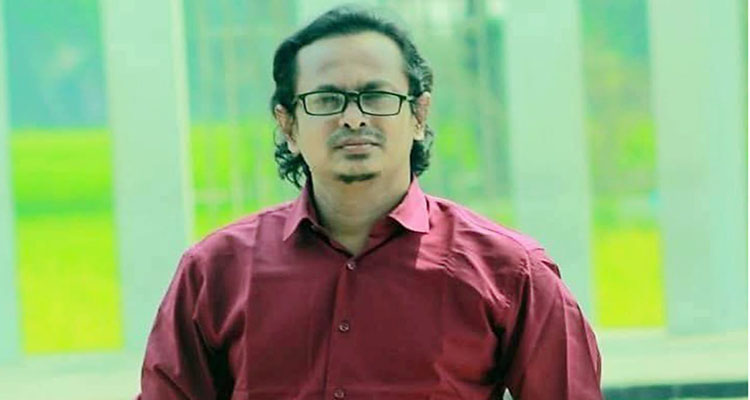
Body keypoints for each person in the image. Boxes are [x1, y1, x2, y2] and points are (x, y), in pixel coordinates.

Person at [137, 5, 602, 400]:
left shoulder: (510, 273)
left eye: (376, 96)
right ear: (288, 124)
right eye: (327, 99)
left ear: (418, 114)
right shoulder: (215, 272)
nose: (354, 118)